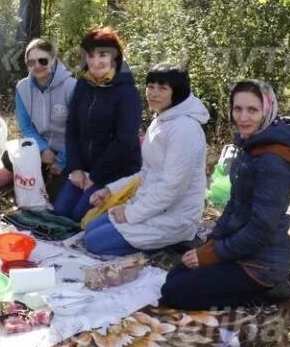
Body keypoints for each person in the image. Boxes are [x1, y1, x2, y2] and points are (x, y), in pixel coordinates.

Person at [160, 80, 290, 309]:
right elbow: (235, 205)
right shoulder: (251, 146)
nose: (243, 117)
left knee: (174, 293)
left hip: (261, 262)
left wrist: (213, 254)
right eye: (238, 109)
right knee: (175, 276)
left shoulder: (273, 160)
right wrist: (210, 244)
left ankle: (272, 290)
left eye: (253, 110)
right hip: (240, 249)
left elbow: (260, 230)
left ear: (267, 111)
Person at [84, 64, 209, 256]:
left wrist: (130, 213)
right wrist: (111, 190)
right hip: (149, 205)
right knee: (90, 228)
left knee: (94, 242)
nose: (154, 93)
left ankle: (174, 245)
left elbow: (173, 188)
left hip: (175, 216)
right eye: (150, 86)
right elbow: (147, 172)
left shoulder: (185, 129)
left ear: (177, 92)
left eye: (162, 88)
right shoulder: (161, 120)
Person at [55, 26, 142, 221]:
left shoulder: (127, 92)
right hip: (83, 169)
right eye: (90, 55)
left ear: (114, 57)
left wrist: (94, 177)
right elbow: (71, 128)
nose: (96, 61)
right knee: (61, 211)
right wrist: (75, 168)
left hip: (115, 172)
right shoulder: (83, 84)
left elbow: (124, 143)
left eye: (102, 55)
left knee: (79, 216)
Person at [12, 38, 77, 201]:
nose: (37, 66)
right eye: (31, 62)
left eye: (42, 60)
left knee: (54, 198)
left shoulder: (72, 87)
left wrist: (61, 161)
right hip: (41, 148)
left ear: (53, 59)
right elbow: (26, 127)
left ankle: (50, 175)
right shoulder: (22, 88)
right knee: (8, 157)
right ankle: (41, 173)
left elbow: (78, 131)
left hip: (67, 151)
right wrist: (42, 149)